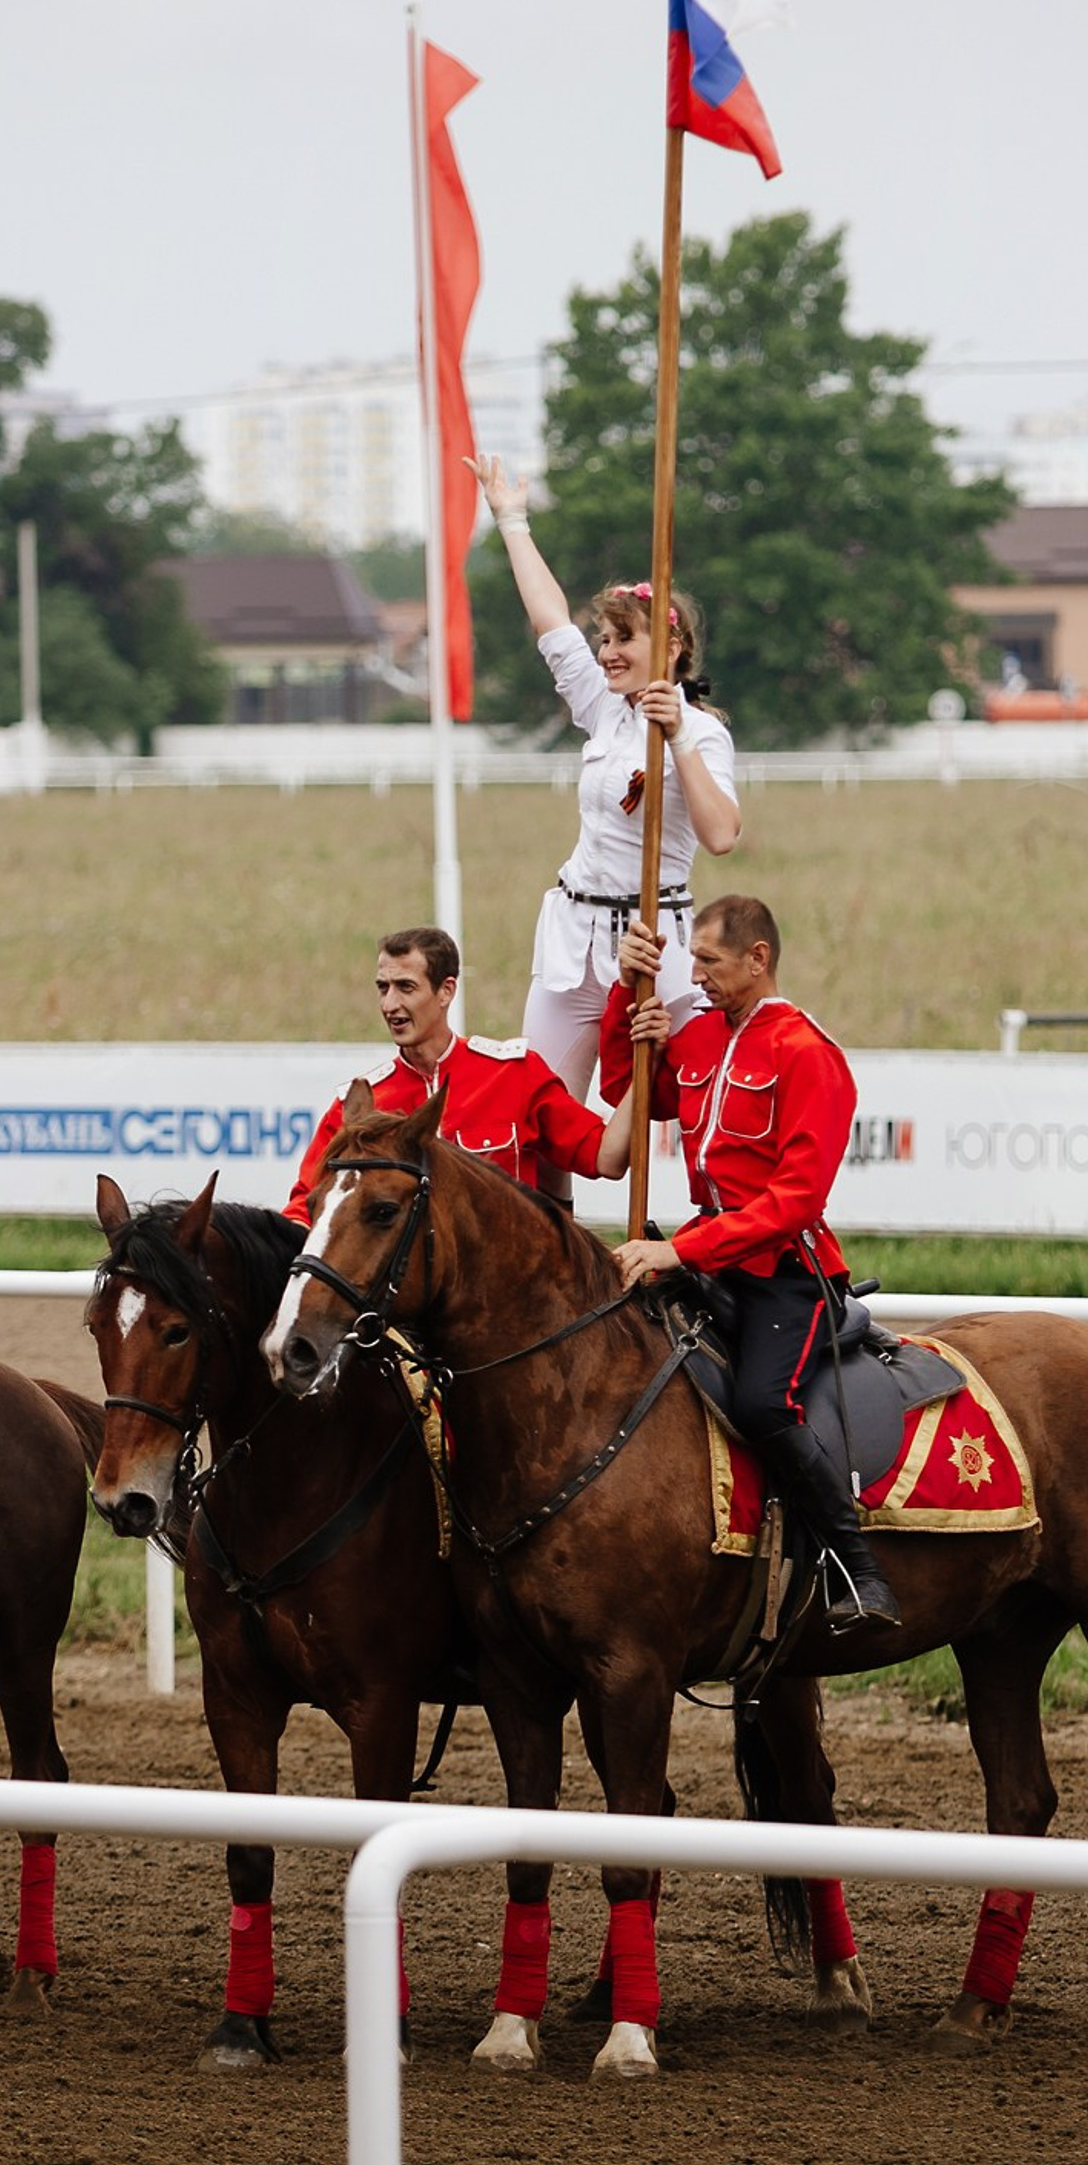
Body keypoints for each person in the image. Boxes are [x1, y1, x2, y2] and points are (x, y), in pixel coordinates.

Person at [597, 897, 899, 1631]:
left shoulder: (809, 1053)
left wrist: (679, 1250)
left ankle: (857, 1572)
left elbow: (795, 1201)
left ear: (758, 959)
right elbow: (627, 1094)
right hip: (708, 1253)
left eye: (708, 962)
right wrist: (624, 1005)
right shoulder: (698, 1036)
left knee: (763, 1402)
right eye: (689, 960)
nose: (692, 975)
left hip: (784, 1272)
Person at [471, 454, 741, 1099]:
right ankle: (552, 1207)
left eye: (623, 639)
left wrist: (675, 737)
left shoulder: (701, 732)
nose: (607, 652)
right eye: (605, 638)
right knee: (539, 1109)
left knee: (686, 1099)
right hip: (571, 944)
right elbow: (550, 622)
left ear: (670, 649)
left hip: (657, 947)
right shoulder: (603, 708)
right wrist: (511, 520)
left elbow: (723, 834)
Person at [284, 926, 612, 1222]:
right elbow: (304, 1205)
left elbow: (605, 1156)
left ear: (446, 991)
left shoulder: (514, 1073)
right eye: (383, 988)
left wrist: (638, 1046)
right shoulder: (360, 1104)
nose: (389, 1004)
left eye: (405, 987)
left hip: (507, 1283)